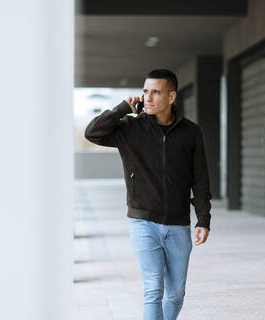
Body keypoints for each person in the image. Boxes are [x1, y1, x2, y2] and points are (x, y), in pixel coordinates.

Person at [84, 69, 212, 320]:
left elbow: (201, 178)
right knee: (153, 289)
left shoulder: (190, 132)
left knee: (175, 294)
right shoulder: (130, 128)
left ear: (171, 96)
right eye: (145, 91)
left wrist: (203, 218)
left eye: (156, 92)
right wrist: (122, 108)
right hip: (143, 222)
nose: (148, 97)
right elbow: (93, 133)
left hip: (178, 224)